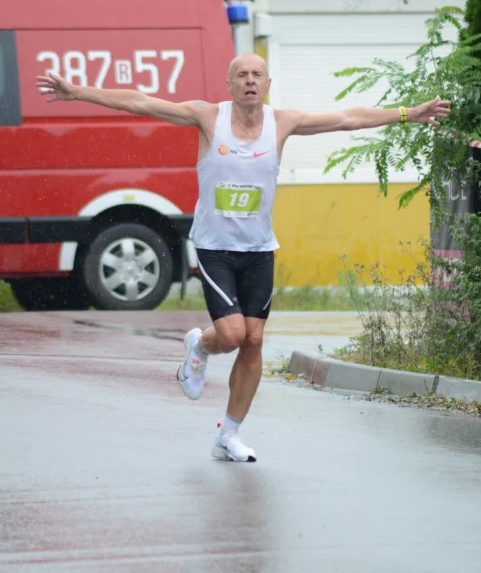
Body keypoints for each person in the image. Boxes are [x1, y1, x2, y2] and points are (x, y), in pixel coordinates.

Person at [36, 53, 451, 463]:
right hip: (215, 247)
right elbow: (139, 101)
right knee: (232, 335)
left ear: (267, 84)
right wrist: (76, 92)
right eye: (242, 75)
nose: (250, 80)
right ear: (230, 85)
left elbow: (346, 118)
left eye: (257, 74)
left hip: (259, 249)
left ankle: (228, 436)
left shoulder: (282, 122)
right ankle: (199, 345)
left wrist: (406, 114)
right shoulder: (206, 117)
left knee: (254, 341)